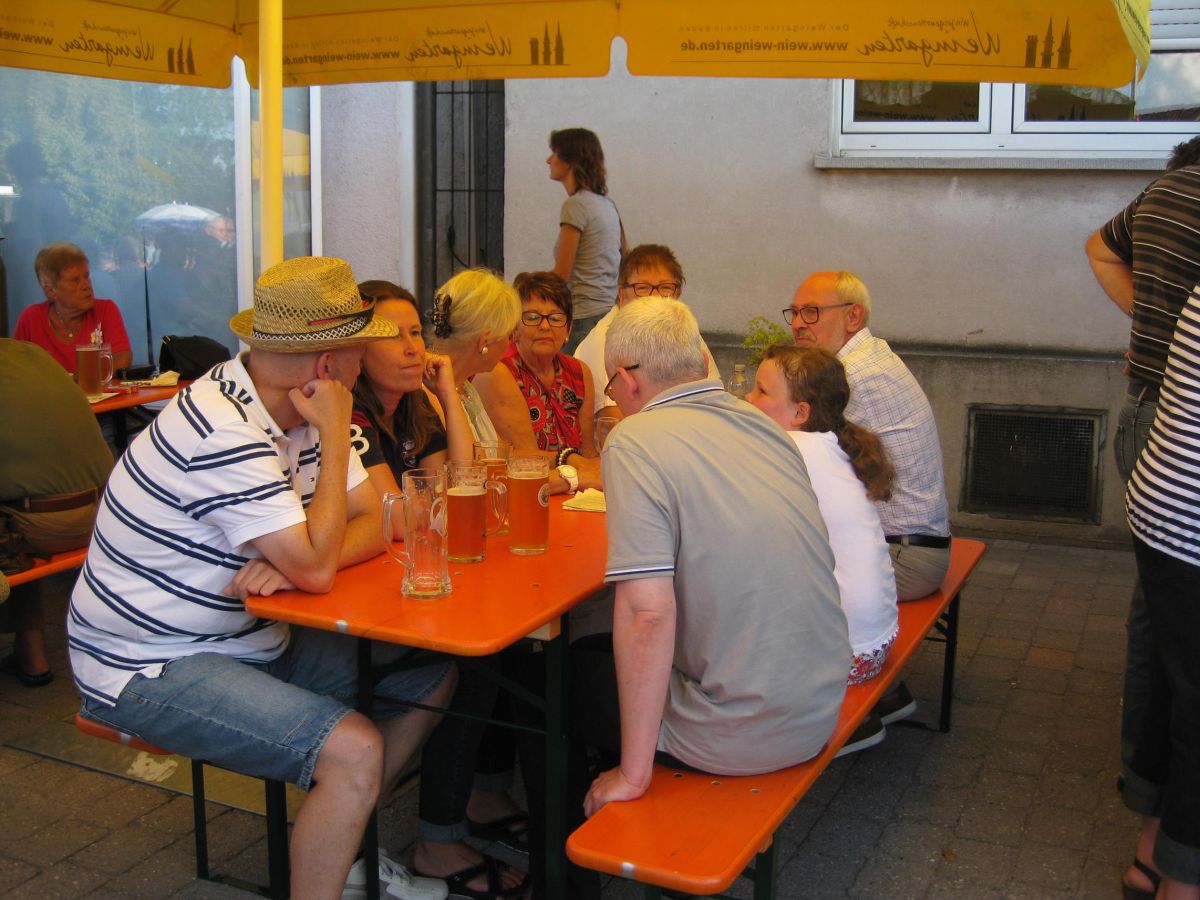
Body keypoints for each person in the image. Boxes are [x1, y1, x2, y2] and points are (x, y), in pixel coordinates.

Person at [67, 256, 453, 900]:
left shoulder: (293, 406)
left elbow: (381, 519)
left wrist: (301, 558)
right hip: (148, 664)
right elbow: (319, 568)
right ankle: (336, 829)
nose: (362, 364)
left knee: (429, 672)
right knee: (354, 750)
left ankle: (340, 835)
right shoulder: (226, 428)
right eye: (358, 350)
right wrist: (314, 538)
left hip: (248, 639)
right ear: (328, 365)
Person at [571, 298, 849, 895]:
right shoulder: (760, 423)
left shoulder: (634, 440)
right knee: (598, 652)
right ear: (700, 360)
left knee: (546, 678)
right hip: (819, 704)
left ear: (626, 381)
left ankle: (571, 870)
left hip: (742, 732)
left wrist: (633, 774)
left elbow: (647, 614)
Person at [351, 279, 526, 899]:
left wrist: (448, 394)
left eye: (414, 333)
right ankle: (435, 836)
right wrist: (431, 503)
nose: (411, 347)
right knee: (474, 664)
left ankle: (459, 815)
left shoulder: (412, 405)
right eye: (391, 336)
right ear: (355, 349)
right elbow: (399, 514)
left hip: (404, 582)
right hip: (353, 606)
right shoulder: (353, 415)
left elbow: (463, 483)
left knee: (499, 651)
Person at [1085, 134, 1200, 899]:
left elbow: (1098, 248)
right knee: (1176, 655)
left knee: (1164, 638)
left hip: (1156, 418)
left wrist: (1152, 332)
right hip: (1182, 449)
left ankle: (1150, 830)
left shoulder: (1168, 191)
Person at [747, 344, 898, 754]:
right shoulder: (829, 444)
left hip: (843, 654)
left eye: (762, 391)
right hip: (873, 640)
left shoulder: (792, 448)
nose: (748, 398)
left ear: (800, 413)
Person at [785, 270, 950, 602]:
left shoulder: (852, 375)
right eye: (795, 312)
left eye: (812, 312)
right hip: (914, 547)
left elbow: (794, 458)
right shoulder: (870, 354)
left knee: (764, 574)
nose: (799, 323)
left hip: (902, 558)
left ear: (853, 316)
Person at [1122, 280, 1200, 900]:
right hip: (1189, 521)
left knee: (1176, 687)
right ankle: (1182, 883)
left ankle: (1151, 855)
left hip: (1167, 509)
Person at [0, 339, 113, 687]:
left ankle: (32, 651)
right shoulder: (31, 354)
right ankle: (31, 652)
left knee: (10, 528)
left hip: (41, 527)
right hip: (105, 513)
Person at [432, 269, 601, 494]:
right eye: (509, 333)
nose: (508, 344)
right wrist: (571, 475)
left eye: (555, 318)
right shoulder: (437, 392)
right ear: (485, 341)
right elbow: (473, 480)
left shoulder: (464, 388)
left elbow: (497, 463)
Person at [574, 243, 720, 424]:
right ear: (621, 295)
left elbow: (713, 396)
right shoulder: (604, 341)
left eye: (665, 288)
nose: (654, 297)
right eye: (642, 288)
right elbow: (612, 420)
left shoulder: (682, 331)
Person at [494, 270, 596, 456]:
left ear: (569, 329)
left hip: (579, 474)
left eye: (555, 318)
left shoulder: (579, 373)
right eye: (532, 317)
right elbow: (522, 456)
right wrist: (571, 463)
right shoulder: (499, 371)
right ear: (514, 326)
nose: (545, 326)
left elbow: (588, 450)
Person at [546, 128, 626, 354]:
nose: (548, 160)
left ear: (569, 160)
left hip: (582, 317)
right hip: (606, 313)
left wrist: (524, 291)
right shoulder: (606, 204)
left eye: (554, 153)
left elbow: (561, 274)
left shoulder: (576, 205)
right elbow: (623, 258)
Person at [14, 242, 133, 374]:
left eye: (86, 276)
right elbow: (16, 369)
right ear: (50, 290)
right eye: (75, 280)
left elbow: (122, 358)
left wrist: (81, 379)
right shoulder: (31, 318)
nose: (86, 285)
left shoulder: (106, 310)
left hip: (95, 388)